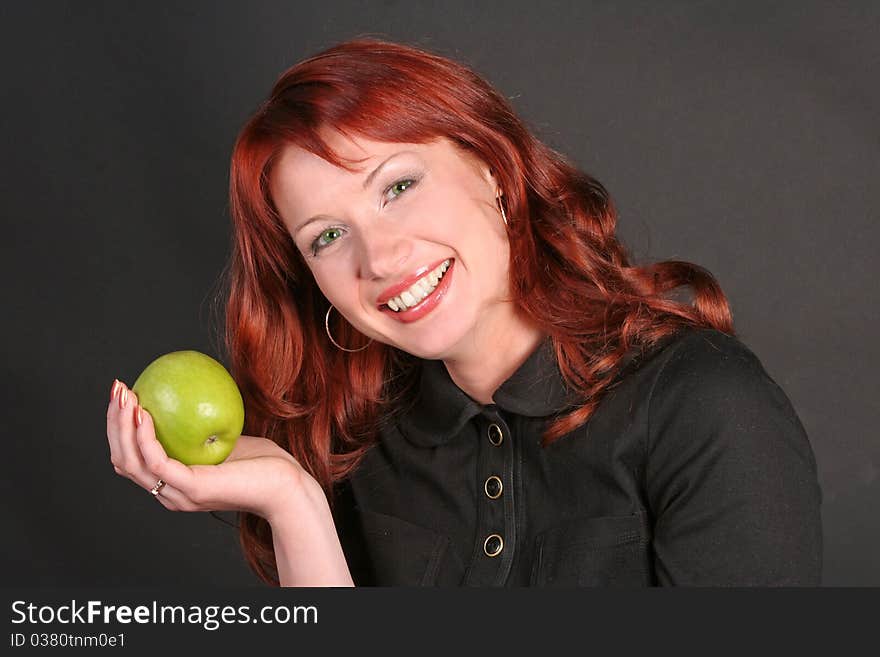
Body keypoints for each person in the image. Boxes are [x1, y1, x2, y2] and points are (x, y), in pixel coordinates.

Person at [106, 37, 822, 586]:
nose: (378, 258)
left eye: (398, 186)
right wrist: (292, 500)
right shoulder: (362, 437)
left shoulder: (705, 407)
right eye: (327, 235)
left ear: (491, 167)